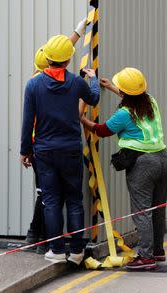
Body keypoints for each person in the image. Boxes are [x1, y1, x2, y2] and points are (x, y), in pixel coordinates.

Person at [20, 34, 100, 265]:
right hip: (71, 150)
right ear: (67, 61)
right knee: (74, 200)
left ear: (47, 57)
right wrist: (92, 78)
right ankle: (76, 251)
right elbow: (93, 98)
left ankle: (55, 250)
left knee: (51, 201)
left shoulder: (33, 84)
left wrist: (25, 151)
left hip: (44, 152)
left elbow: (28, 122)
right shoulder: (76, 82)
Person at [80, 67, 167, 272]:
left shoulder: (124, 114)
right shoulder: (151, 102)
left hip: (143, 164)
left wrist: (82, 120)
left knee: (142, 211)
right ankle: (157, 251)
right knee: (157, 209)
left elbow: (102, 130)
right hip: (163, 158)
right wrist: (112, 87)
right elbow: (132, 95)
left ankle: (146, 257)